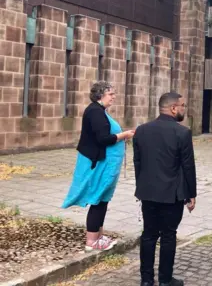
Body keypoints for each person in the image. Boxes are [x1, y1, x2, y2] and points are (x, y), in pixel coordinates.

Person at [62, 81, 135, 251]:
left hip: (105, 163)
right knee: (98, 200)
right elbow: (103, 139)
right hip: (99, 163)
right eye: (111, 94)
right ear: (100, 94)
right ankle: (92, 241)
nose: (114, 97)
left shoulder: (99, 111)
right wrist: (123, 135)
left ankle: (99, 237)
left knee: (102, 200)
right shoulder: (95, 112)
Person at [133, 92, 196, 286]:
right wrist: (191, 194)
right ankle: (165, 280)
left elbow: (138, 162)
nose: (184, 109)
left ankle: (146, 280)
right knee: (168, 236)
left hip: (148, 192)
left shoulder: (141, 130)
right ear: (173, 108)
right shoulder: (182, 132)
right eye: (183, 106)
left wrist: (142, 185)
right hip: (172, 194)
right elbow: (188, 166)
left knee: (149, 234)